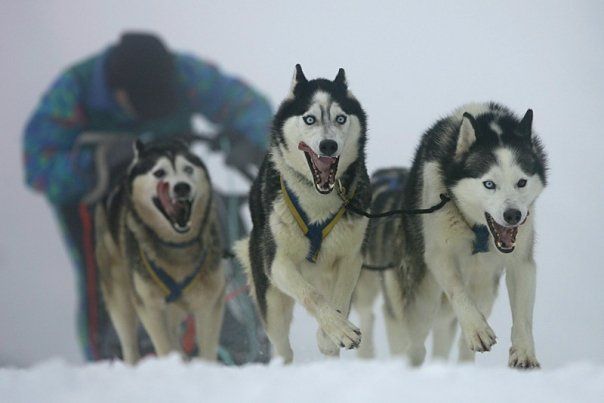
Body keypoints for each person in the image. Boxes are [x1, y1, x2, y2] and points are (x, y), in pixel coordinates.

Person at [23, 32, 273, 362]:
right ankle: (116, 357)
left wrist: (251, 140)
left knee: (215, 231)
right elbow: (38, 165)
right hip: (99, 200)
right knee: (108, 272)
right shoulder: (74, 91)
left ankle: (231, 336)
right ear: (119, 93)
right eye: (144, 106)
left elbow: (248, 105)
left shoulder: (185, 74)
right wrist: (96, 162)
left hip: (179, 187)